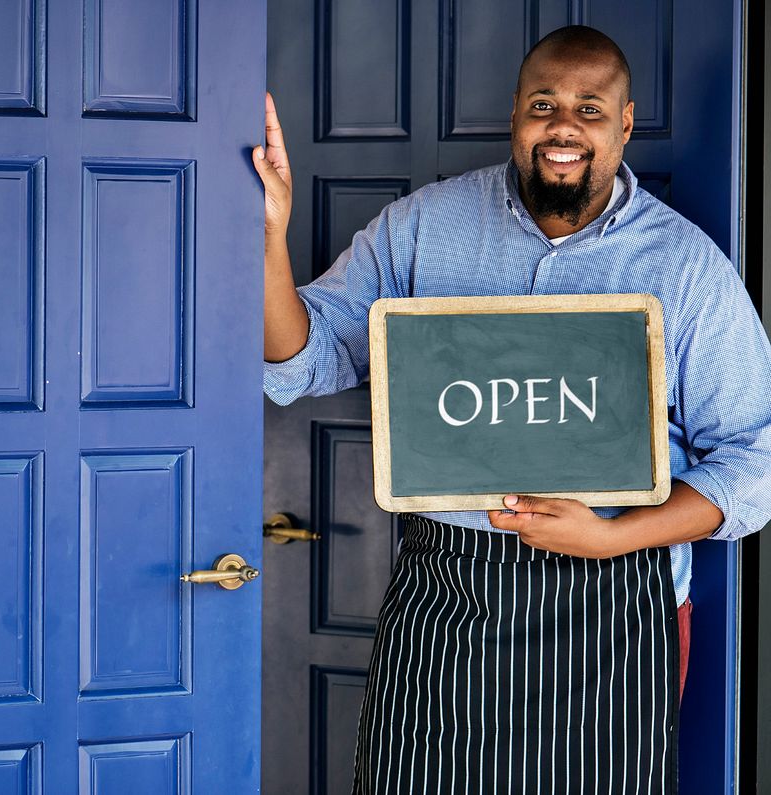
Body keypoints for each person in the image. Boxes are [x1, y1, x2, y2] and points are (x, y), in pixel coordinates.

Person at [253, 25, 771, 795]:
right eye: (544, 104)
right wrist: (268, 237)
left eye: (591, 109)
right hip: (448, 600)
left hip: (616, 605)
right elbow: (303, 359)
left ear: (625, 125)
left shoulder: (686, 267)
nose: (564, 126)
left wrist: (611, 537)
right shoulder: (423, 226)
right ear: (516, 117)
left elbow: (754, 465)